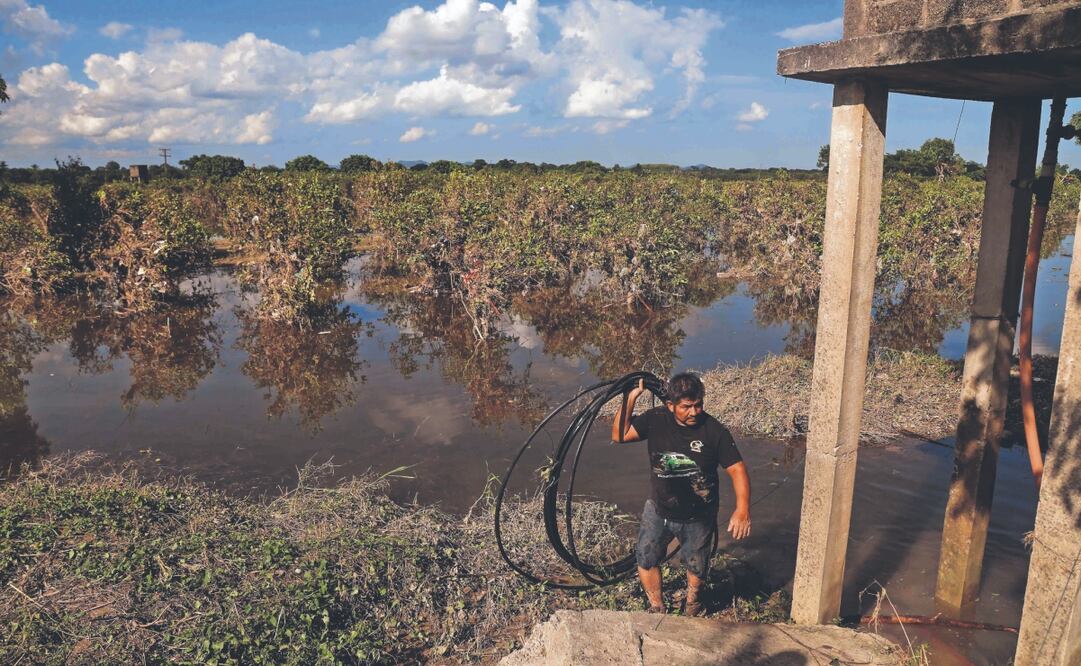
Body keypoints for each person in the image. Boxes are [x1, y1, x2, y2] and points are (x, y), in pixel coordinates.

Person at [611, 372, 751, 615]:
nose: (694, 412)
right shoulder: (655, 419)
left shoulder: (714, 431)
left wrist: (742, 509)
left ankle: (693, 603)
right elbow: (619, 435)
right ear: (670, 405)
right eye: (686, 407)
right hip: (658, 509)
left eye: (698, 405)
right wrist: (630, 398)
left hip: (699, 515)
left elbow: (737, 469)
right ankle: (657, 606)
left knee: (697, 565)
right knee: (646, 558)